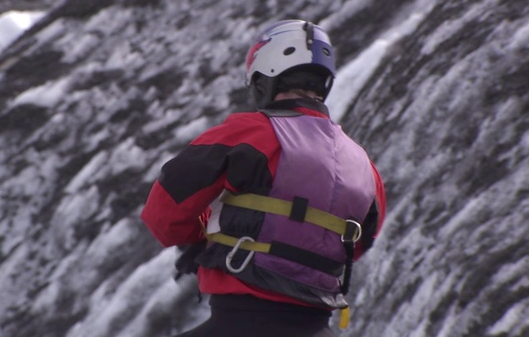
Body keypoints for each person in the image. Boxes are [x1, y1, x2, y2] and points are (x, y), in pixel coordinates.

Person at [141, 19, 387, 337]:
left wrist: (206, 234)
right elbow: (356, 246)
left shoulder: (247, 133)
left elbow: (163, 216)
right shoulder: (366, 167)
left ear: (262, 82)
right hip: (318, 326)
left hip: (240, 321)